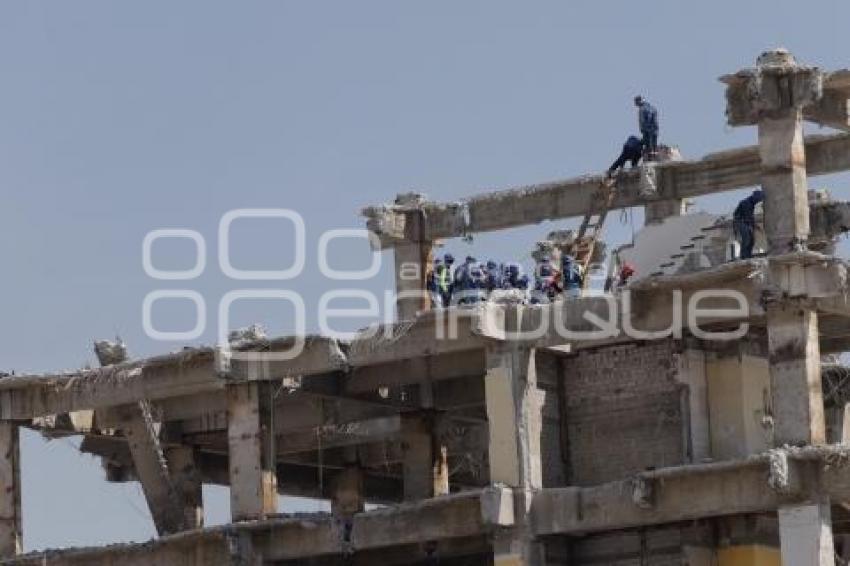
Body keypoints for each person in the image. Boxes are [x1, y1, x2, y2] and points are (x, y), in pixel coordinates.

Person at [733, 190, 764, 259]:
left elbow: (750, 217)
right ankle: (744, 256)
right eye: (758, 199)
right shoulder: (746, 203)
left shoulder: (751, 203)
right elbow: (748, 217)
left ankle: (748, 255)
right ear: (755, 197)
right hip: (740, 221)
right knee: (746, 239)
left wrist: (754, 225)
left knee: (752, 240)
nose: (758, 201)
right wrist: (755, 226)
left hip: (745, 222)